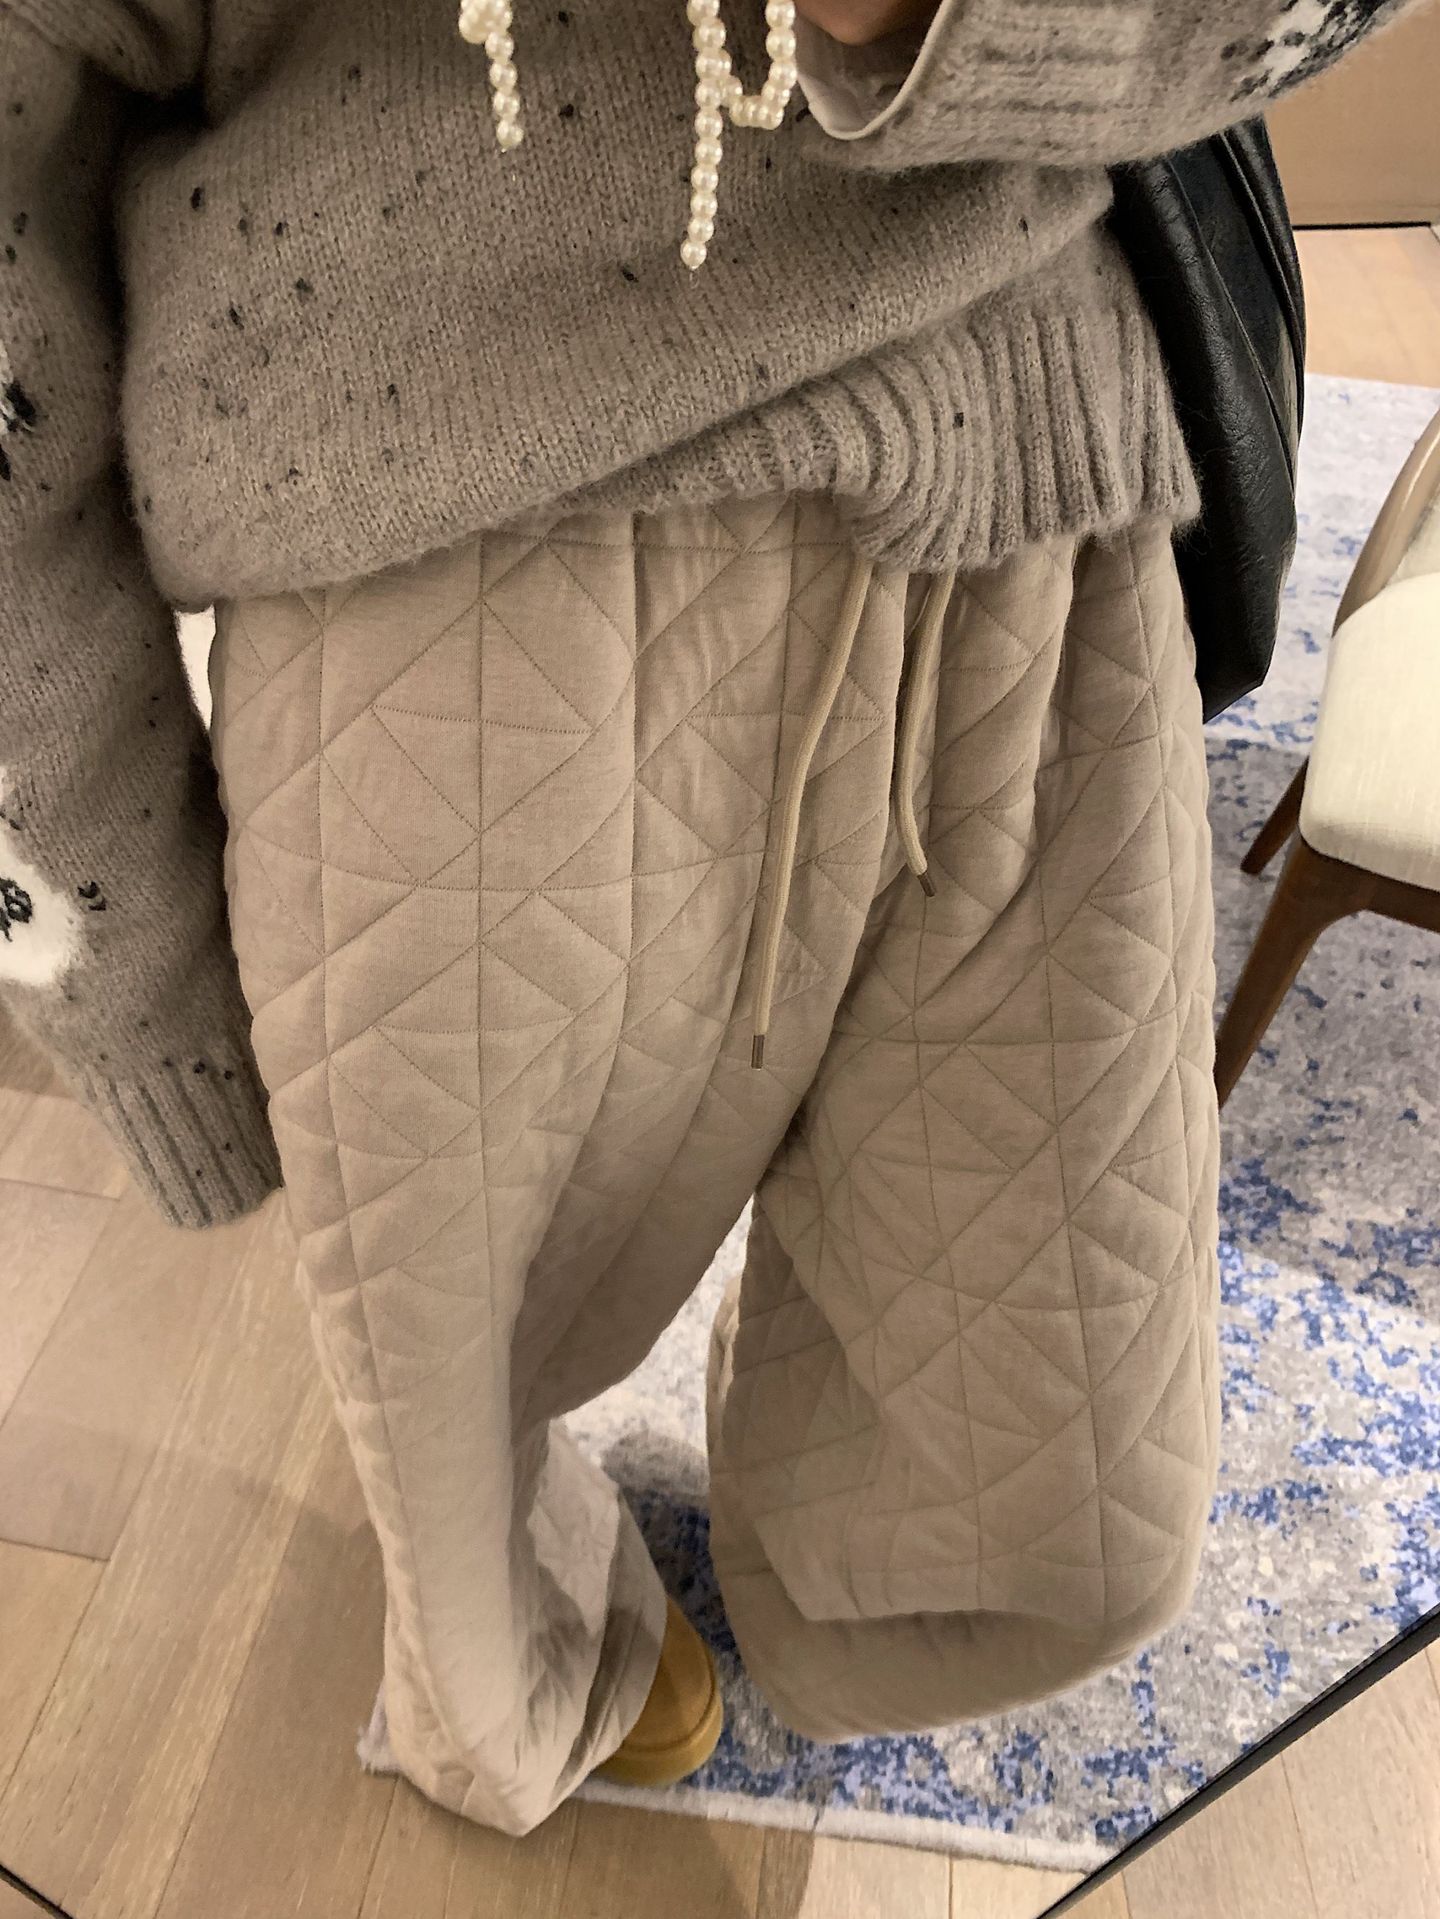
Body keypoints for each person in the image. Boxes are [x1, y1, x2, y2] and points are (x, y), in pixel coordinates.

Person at [0, 0, 1415, 1839]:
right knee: (466, 1415)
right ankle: (528, 1628)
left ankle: (808, 1505)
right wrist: (125, 965)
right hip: (451, 552)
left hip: (1039, 464)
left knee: (1075, 1498)